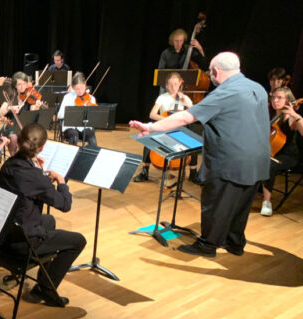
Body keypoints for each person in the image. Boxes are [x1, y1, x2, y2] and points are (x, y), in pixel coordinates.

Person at [129, 52, 269, 257]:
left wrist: (150, 127)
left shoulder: (224, 92)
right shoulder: (258, 88)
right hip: (258, 158)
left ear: (216, 71)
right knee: (240, 204)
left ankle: (208, 245)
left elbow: (185, 117)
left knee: (216, 202)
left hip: (230, 159)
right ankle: (235, 243)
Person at [0, 123, 86, 307]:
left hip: (4, 233)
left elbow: (27, 185)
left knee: (49, 220)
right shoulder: (35, 176)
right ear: (42, 147)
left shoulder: (8, 165)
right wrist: (61, 182)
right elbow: (65, 204)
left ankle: (44, 276)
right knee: (78, 241)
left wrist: (39, 172)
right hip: (22, 242)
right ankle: (46, 288)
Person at [133, 72, 199, 183]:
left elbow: (195, 114)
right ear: (166, 85)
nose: (173, 87)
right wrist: (167, 120)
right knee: (148, 141)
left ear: (180, 84)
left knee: (194, 145)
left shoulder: (185, 98)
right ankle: (144, 171)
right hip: (164, 129)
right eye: (170, 84)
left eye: (176, 84)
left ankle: (193, 173)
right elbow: (152, 114)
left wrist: (186, 103)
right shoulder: (162, 98)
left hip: (179, 131)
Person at [261, 87, 303, 216]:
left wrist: (295, 115)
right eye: (273, 97)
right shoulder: (273, 115)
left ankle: (266, 202)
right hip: (272, 151)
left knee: (267, 164)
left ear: (288, 100)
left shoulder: (291, 118)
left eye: (279, 97)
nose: (275, 100)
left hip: (288, 156)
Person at [56, 73, 98, 146]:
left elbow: (94, 117)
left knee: (92, 140)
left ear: (85, 86)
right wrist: (72, 110)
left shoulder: (91, 98)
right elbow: (59, 115)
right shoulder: (67, 97)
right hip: (70, 127)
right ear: (73, 88)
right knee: (74, 136)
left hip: (84, 127)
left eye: (82, 88)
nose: (80, 91)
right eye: (77, 89)